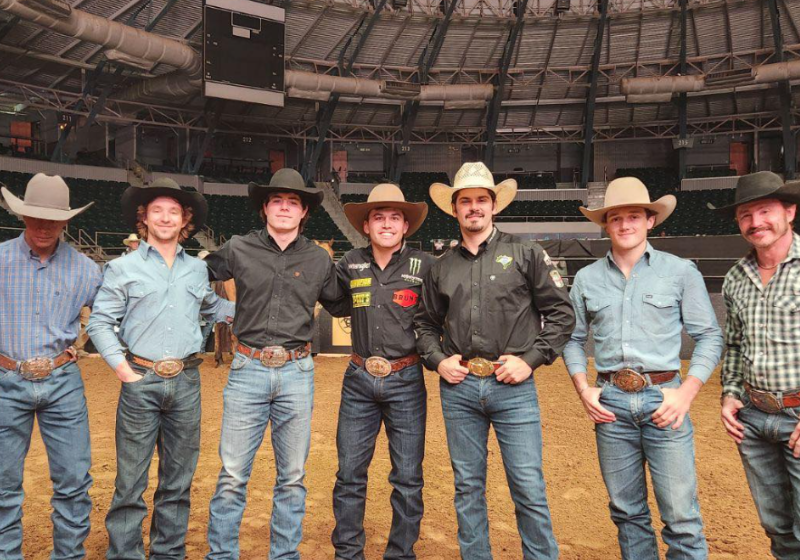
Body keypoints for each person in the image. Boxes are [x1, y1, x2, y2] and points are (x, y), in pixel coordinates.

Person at [415, 161, 575, 560]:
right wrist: (437, 360)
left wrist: (531, 359)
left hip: (514, 387)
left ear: (493, 205)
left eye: (481, 200)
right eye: (465, 201)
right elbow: (423, 322)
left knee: (527, 486)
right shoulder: (441, 267)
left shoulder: (526, 253)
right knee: (468, 486)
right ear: (454, 209)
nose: (474, 207)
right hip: (460, 387)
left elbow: (561, 314)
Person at [563, 176, 723, 560]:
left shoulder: (680, 271)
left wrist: (686, 394)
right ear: (605, 224)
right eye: (615, 217)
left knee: (681, 516)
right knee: (626, 511)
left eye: (634, 216)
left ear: (651, 220)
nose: (625, 224)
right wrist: (584, 388)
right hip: (611, 404)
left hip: (664, 400)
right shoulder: (586, 279)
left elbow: (710, 336)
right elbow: (570, 339)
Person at [87, 178, 234, 560]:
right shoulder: (121, 268)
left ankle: (168, 552)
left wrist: (263, 312)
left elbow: (213, 309)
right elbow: (100, 323)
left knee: (178, 480)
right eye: (157, 210)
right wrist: (122, 370)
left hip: (186, 379)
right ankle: (125, 554)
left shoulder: (197, 271)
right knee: (130, 481)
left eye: (174, 211)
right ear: (144, 218)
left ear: (185, 219)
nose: (166, 218)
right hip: (141, 378)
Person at [204, 168, 342, 560]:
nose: (285, 207)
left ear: (304, 213)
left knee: (293, 478)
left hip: (297, 372)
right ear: (265, 208)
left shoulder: (318, 258)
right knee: (232, 476)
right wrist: (228, 310)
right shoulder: (237, 248)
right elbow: (192, 278)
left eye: (293, 202)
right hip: (247, 369)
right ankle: (221, 556)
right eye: (277, 200)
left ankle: (284, 556)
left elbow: (343, 301)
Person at [323, 183, 434, 560]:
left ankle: (401, 554)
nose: (386, 224)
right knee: (349, 473)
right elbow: (336, 304)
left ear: (406, 226)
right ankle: (348, 553)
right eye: (378, 217)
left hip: (406, 378)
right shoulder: (349, 262)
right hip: (358, 378)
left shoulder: (426, 266)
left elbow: (440, 314)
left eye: (394, 218)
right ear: (366, 226)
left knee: (407, 477)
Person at [0, 174, 102, 559]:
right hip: (6, 377)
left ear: (66, 221)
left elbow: (111, 317)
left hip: (63, 380)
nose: (43, 226)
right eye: (35, 217)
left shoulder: (87, 270)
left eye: (52, 219)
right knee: (3, 484)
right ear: (22, 216)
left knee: (74, 481)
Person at [712, 171, 800, 559]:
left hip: (797, 418)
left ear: (790, 212)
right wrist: (730, 394)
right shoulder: (736, 277)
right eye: (746, 215)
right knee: (777, 524)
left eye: (765, 211)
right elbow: (733, 343)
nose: (755, 222)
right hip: (754, 417)